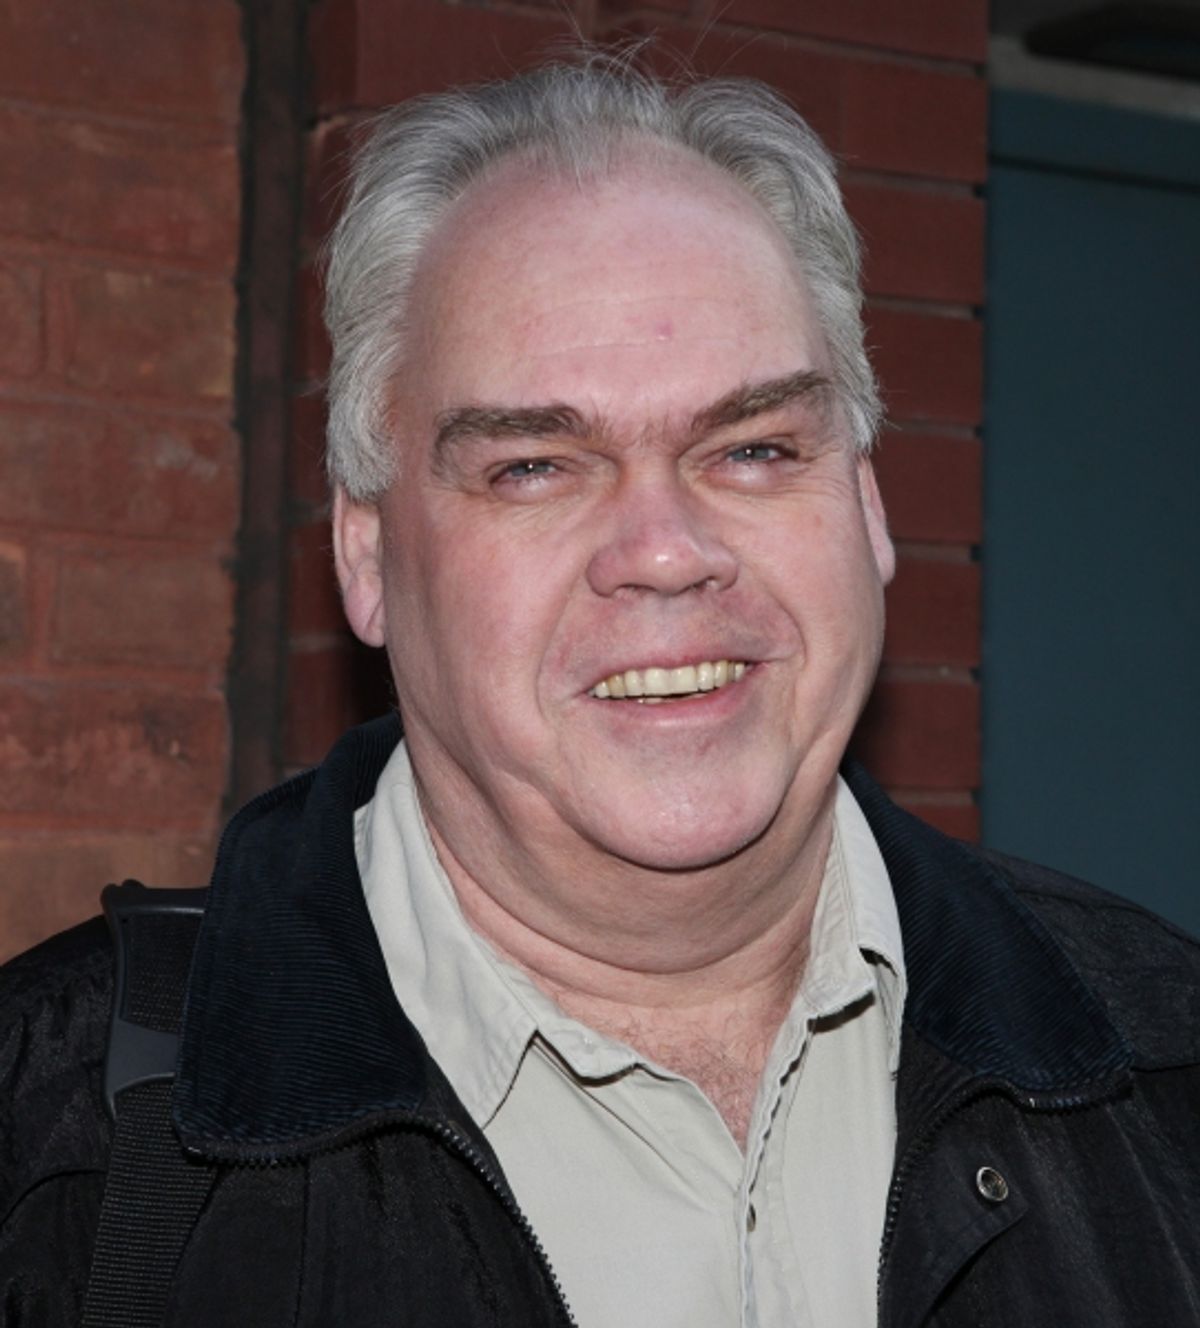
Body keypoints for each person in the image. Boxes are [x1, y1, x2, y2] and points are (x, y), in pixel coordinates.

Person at [2, 52, 1198, 1328]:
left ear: (867, 505)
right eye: (533, 465)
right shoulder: (55, 1144)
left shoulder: (1166, 1059)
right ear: (367, 556)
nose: (669, 551)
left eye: (752, 447)